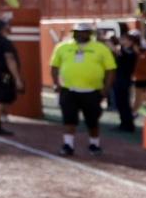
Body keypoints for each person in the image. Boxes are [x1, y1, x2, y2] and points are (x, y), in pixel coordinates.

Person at [50, 21, 117, 157]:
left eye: (84, 32)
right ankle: (68, 145)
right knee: (69, 119)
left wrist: (106, 88)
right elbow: (54, 66)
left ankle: (94, 144)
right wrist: (56, 83)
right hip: (69, 90)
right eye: (77, 32)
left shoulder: (100, 48)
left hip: (92, 91)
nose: (80, 35)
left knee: (92, 121)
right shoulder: (62, 47)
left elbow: (111, 69)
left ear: (90, 33)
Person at [110, 30, 140, 133]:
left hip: (124, 79)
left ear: (130, 41)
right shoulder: (125, 50)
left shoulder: (130, 52)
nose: (122, 41)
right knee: (120, 103)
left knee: (124, 103)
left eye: (124, 39)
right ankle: (124, 123)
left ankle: (128, 124)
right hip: (120, 79)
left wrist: (113, 47)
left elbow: (121, 54)